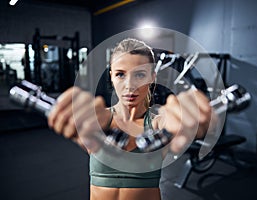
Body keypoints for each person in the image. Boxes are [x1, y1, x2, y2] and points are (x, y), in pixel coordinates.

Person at [48, 38, 212, 200]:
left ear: (152, 77)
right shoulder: (97, 120)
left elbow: (170, 122)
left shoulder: (158, 122)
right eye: (120, 74)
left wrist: (188, 116)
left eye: (140, 75)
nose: (129, 85)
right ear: (111, 77)